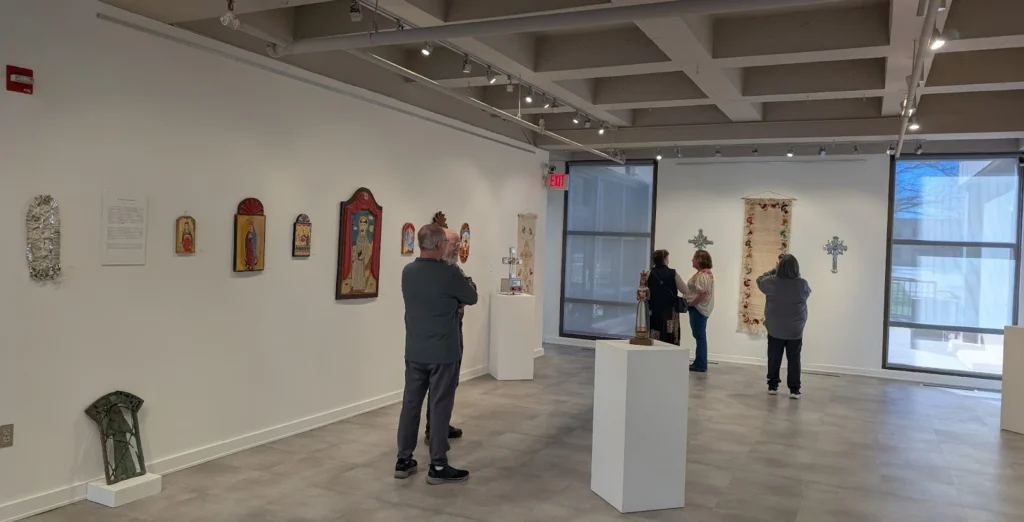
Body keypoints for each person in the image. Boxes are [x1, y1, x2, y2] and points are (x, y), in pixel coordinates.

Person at [395, 224, 477, 484]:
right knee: (440, 406)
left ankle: (404, 460)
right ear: (440, 245)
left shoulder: (408, 271)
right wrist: (455, 300)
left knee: (410, 405)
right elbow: (471, 297)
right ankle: (438, 466)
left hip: (415, 350)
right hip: (443, 351)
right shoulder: (449, 273)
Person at [424, 228, 474, 444]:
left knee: (449, 384)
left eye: (457, 245)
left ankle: (439, 424)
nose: (457, 249)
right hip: (440, 337)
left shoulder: (456, 270)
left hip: (454, 331)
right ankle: (434, 431)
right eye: (453, 244)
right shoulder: (439, 272)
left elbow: (471, 291)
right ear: (441, 244)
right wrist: (457, 299)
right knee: (439, 386)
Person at [757, 254, 811, 399]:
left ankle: (773, 385)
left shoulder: (770, 282)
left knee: (774, 357)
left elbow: (759, 280)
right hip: (795, 329)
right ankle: (794, 389)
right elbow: (807, 294)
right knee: (794, 359)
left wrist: (774, 270)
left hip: (775, 328)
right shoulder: (802, 284)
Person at [683, 249, 715, 372]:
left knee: (700, 335)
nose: (692, 260)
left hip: (698, 309)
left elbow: (702, 294)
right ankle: (699, 361)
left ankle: (701, 363)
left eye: (694, 258)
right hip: (697, 308)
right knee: (699, 335)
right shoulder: (704, 274)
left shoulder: (703, 276)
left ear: (700, 260)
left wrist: (691, 303)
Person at [648, 249, 687, 345]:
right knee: (670, 333)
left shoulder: (650, 273)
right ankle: (669, 353)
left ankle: (655, 353)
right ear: (665, 259)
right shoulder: (673, 273)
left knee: (655, 332)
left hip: (655, 310)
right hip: (670, 310)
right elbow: (685, 290)